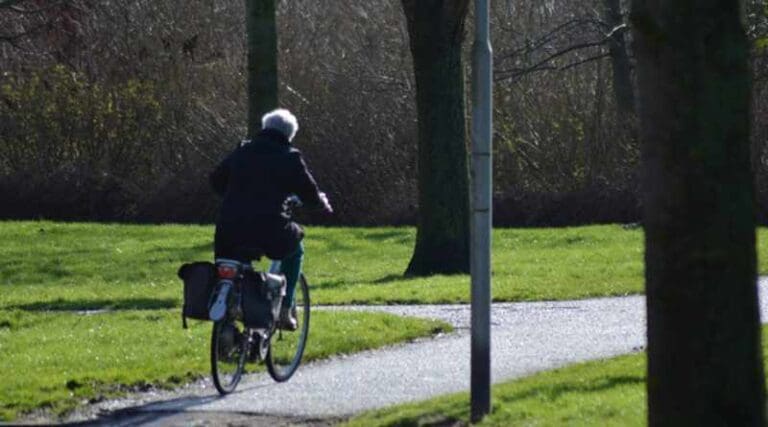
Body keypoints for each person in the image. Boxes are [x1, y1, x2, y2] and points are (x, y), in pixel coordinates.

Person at [210, 108, 332, 330]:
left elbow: (216, 180)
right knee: (296, 248)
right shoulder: (290, 157)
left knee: (235, 268)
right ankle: (285, 309)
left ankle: (228, 322)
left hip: (229, 227)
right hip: (269, 229)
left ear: (264, 128)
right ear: (289, 135)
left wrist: (234, 196)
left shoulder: (242, 151)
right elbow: (310, 194)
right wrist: (321, 203)